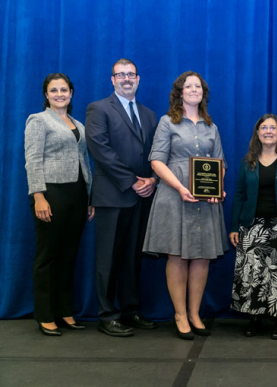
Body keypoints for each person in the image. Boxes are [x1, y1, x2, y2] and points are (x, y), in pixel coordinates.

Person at [143, 71, 228, 340]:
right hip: (174, 195)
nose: (194, 90)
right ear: (179, 92)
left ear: (203, 92)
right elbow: (156, 161)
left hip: (205, 200)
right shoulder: (167, 122)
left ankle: (194, 313)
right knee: (177, 255)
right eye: (188, 86)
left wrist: (217, 189)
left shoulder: (211, 126)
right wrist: (180, 187)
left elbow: (220, 163)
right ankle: (179, 314)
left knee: (202, 256)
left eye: (198, 86)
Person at [86, 58, 158, 337]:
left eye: (131, 74)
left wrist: (152, 180)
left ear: (138, 79)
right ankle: (107, 315)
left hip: (143, 197)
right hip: (112, 196)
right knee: (108, 259)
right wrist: (131, 183)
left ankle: (131, 310)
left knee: (132, 258)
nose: (126, 79)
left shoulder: (149, 114)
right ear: (112, 79)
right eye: (121, 75)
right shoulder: (99, 108)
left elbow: (154, 154)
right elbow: (100, 150)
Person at [25, 73, 94, 336]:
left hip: (77, 194)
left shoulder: (77, 123)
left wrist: (89, 197)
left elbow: (84, 161)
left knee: (68, 256)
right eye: (53, 90)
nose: (59, 94)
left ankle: (65, 311)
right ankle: (44, 315)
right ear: (46, 94)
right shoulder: (38, 120)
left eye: (63, 90)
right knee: (48, 255)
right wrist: (38, 196)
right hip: (51, 193)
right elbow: (32, 160)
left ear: (71, 93)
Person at [229, 114, 277, 340]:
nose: (269, 131)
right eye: (264, 127)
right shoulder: (248, 161)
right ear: (258, 133)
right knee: (253, 275)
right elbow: (240, 195)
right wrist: (235, 226)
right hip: (252, 227)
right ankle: (254, 318)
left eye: (273, 127)